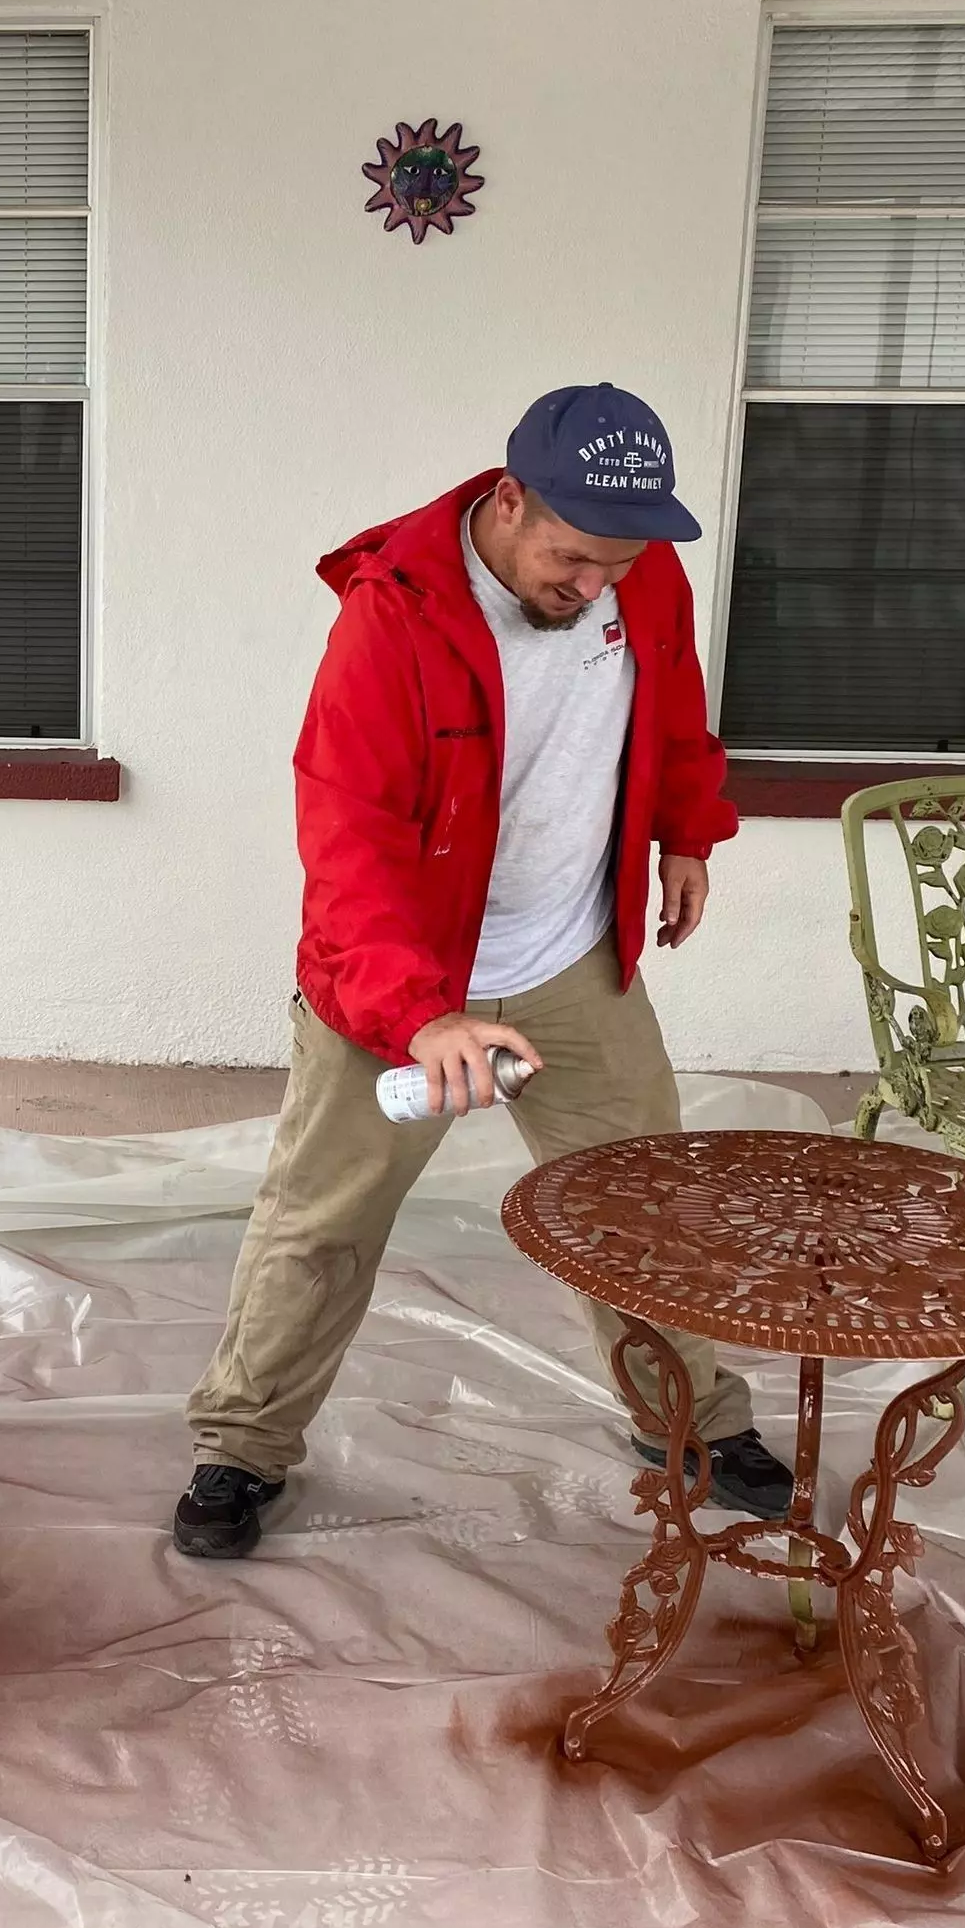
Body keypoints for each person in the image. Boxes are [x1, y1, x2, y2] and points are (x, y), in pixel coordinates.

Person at [175, 383, 794, 1560]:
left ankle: (692, 1428)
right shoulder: (391, 619)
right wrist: (419, 1015)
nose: (597, 586)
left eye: (619, 563)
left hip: (575, 960)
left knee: (639, 1212)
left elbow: (672, 712)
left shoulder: (637, 568)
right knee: (323, 1221)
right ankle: (242, 1449)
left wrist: (687, 834)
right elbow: (346, 844)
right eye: (572, 559)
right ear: (508, 503)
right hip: (407, 979)